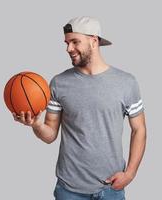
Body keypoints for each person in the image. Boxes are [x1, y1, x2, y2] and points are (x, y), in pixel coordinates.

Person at [13, 16, 147, 200]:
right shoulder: (59, 83)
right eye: (67, 43)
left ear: (93, 41)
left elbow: (139, 130)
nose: (69, 49)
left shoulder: (126, 82)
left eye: (75, 42)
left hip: (110, 189)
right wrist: (36, 124)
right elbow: (50, 134)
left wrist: (130, 174)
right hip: (69, 190)